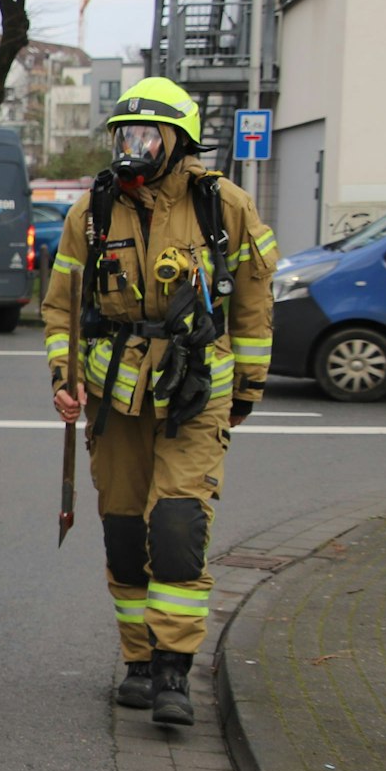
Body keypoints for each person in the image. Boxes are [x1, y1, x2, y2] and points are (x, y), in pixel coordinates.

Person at [42, 77, 277, 727]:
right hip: (116, 398)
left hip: (193, 392)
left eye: (146, 134)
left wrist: (249, 388)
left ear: (177, 142)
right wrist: (64, 375)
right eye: (124, 134)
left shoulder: (221, 206)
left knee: (175, 526)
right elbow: (63, 304)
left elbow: (254, 305)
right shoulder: (91, 210)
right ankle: (138, 662)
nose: (132, 146)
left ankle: (174, 669)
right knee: (123, 528)